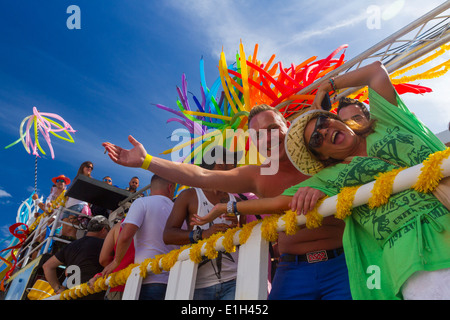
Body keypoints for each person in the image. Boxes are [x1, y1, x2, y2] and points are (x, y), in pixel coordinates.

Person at [199, 61, 450, 300]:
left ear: (335, 119)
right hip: (413, 261)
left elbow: (375, 71)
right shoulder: (332, 176)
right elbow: (277, 203)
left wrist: (327, 85)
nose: (324, 131)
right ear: (324, 157)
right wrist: (227, 207)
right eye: (316, 140)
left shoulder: (386, 121)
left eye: (322, 121)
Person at [102, 104, 351, 300]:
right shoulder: (257, 175)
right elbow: (202, 175)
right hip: (293, 270)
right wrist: (146, 161)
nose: (268, 138)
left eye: (273, 128)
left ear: (286, 126)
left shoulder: (322, 152)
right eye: (258, 135)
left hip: (344, 262)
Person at [163, 146, 240, 300]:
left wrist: (238, 230)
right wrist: (204, 234)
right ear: (216, 164)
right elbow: (168, 235)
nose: (234, 168)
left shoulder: (236, 201)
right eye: (230, 163)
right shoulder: (189, 195)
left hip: (234, 280)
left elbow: (244, 239)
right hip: (198, 283)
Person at [101, 175, 178, 300]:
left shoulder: (142, 202)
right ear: (170, 188)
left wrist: (116, 261)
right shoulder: (178, 211)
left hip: (146, 278)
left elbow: (126, 236)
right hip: (174, 281)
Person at [42, 215, 111, 300]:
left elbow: (47, 266)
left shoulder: (70, 246)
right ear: (104, 229)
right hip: (91, 294)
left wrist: (58, 289)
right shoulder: (104, 244)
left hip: (71, 295)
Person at [91, 221, 135, 300]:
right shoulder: (158, 222)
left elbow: (103, 260)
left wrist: (114, 264)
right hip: (150, 282)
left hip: (119, 284)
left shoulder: (119, 226)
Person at [59, 161, 94, 242]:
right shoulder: (77, 178)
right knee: (64, 230)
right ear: (83, 167)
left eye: (91, 168)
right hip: (69, 205)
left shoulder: (90, 180)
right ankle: (61, 248)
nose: (89, 168)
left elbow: (90, 196)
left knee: (71, 229)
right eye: (88, 166)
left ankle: (69, 250)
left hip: (79, 204)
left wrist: (87, 207)